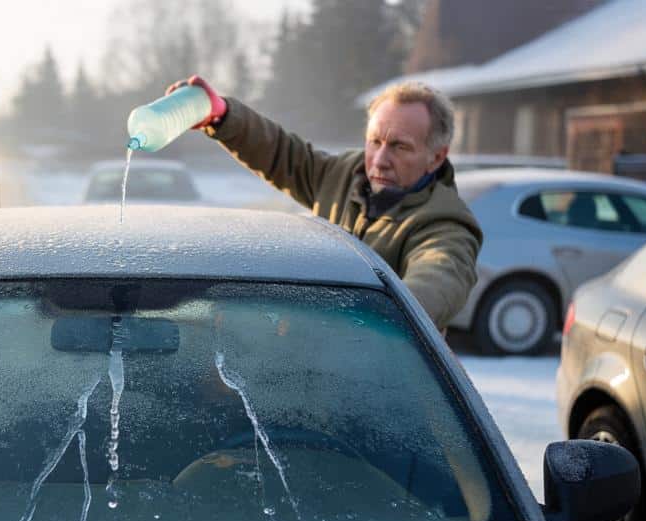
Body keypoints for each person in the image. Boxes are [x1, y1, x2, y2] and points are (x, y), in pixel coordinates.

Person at [167, 76, 481, 330]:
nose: (380, 160)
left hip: (381, 382)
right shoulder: (345, 174)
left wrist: (380, 317)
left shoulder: (445, 223)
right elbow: (282, 155)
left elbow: (440, 277)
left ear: (436, 156)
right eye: (375, 142)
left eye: (399, 147)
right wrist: (222, 115)